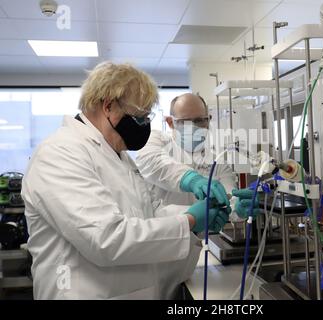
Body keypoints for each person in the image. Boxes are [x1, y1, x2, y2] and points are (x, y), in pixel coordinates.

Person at [21, 62, 230, 300]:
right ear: (108, 106)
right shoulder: (59, 153)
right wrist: (190, 220)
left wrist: (196, 218)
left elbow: (150, 212)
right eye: (139, 117)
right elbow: (106, 238)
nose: (144, 126)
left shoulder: (117, 155)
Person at [135, 93, 262, 298]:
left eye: (200, 120)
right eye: (185, 122)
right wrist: (191, 179)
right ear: (170, 122)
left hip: (189, 259)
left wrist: (239, 206)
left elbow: (228, 199)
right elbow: (151, 161)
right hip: (153, 254)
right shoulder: (157, 141)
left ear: (209, 120)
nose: (195, 126)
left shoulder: (217, 160)